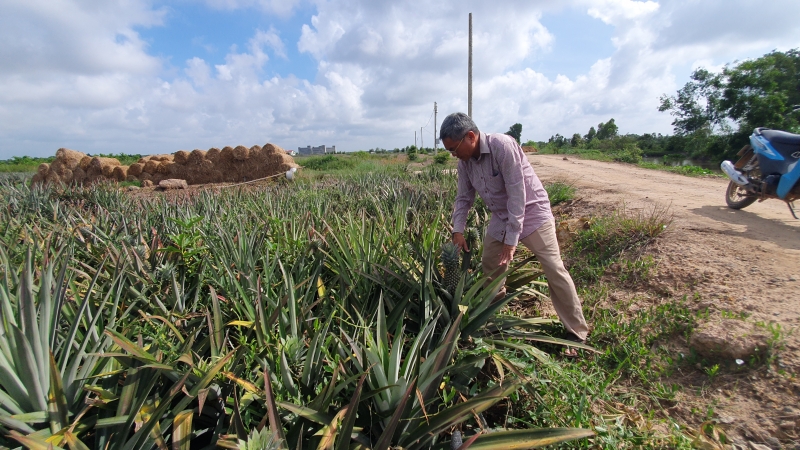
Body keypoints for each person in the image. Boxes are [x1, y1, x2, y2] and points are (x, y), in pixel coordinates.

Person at [441, 112, 589, 354]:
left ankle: (576, 333)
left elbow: (518, 195)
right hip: (501, 216)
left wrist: (512, 241)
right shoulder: (465, 163)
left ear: (470, 136)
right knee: (490, 266)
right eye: (450, 151)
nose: (454, 155)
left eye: (454, 149)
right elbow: (464, 197)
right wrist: (457, 230)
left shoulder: (502, 146)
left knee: (554, 268)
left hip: (532, 213)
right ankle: (494, 317)